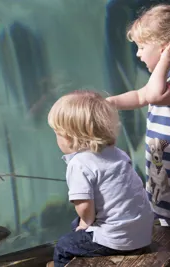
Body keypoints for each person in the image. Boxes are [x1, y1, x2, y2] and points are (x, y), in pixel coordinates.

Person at [106, 4, 170, 228]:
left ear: (165, 49)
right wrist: (109, 103)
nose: (138, 53)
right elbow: (139, 96)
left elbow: (152, 95)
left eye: (142, 47)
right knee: (167, 219)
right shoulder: (164, 81)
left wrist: (164, 61)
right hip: (165, 165)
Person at [46, 90, 154, 267]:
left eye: (57, 133)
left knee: (64, 246)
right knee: (76, 226)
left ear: (70, 137)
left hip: (118, 239)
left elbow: (86, 210)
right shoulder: (117, 153)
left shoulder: (79, 164)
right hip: (142, 232)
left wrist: (85, 223)